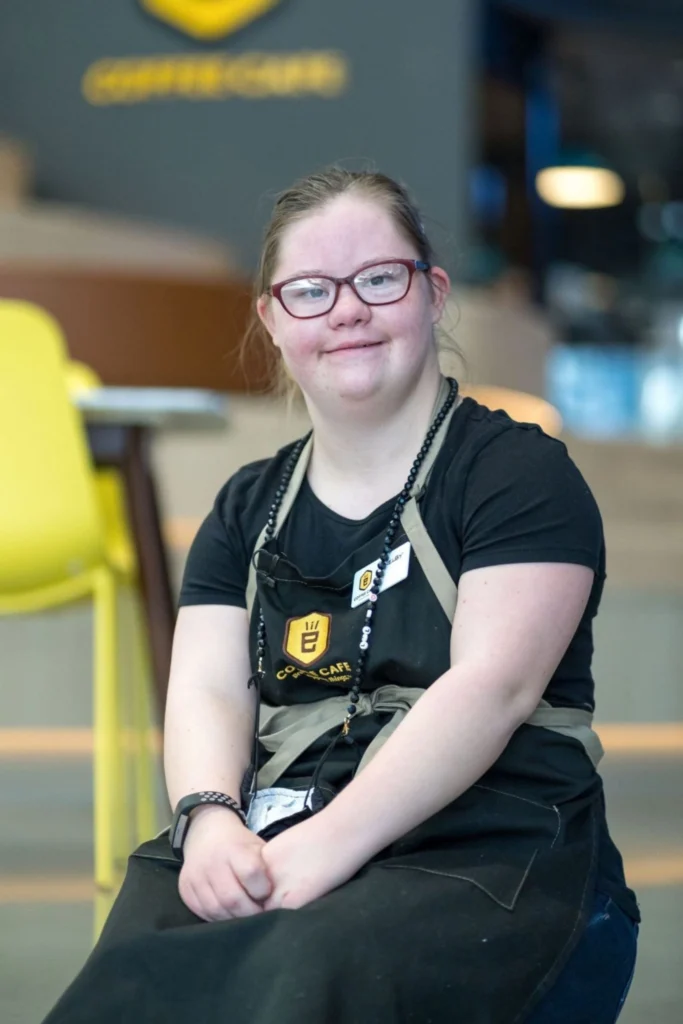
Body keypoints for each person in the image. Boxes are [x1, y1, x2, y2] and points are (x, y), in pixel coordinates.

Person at [43, 167, 639, 1024]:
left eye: (378, 279)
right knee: (134, 964)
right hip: (282, 825)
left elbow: (491, 688)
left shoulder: (516, 473)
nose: (347, 309)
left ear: (432, 294)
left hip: (490, 856)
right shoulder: (248, 504)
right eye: (311, 290)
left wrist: (325, 848)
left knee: (305, 964)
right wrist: (208, 819)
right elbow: (208, 686)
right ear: (274, 321)